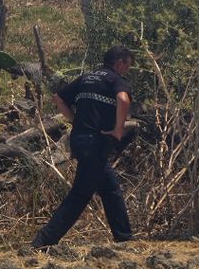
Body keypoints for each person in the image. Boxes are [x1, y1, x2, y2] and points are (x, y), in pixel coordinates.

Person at [31, 45, 134, 250]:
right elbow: (123, 100)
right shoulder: (114, 80)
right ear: (119, 62)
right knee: (80, 194)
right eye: (127, 66)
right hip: (95, 143)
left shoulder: (86, 78)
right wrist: (118, 130)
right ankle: (43, 240)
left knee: (110, 189)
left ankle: (124, 238)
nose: (127, 70)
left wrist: (75, 120)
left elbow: (58, 98)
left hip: (79, 140)